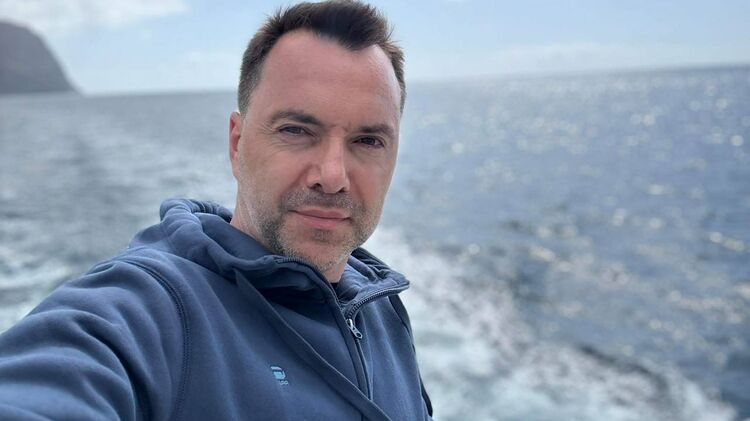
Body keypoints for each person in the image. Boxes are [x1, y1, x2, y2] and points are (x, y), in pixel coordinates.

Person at [0, 1, 433, 420]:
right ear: (236, 143)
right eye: (297, 131)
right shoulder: (155, 311)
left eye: (368, 141)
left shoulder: (380, 306)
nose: (333, 176)